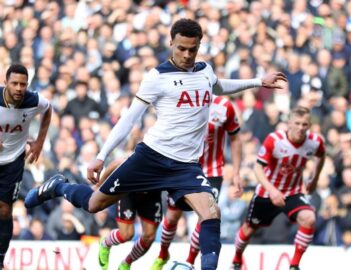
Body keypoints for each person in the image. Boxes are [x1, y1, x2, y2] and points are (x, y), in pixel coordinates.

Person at [24, 18, 286, 270]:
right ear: (171, 43)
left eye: (192, 49)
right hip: (150, 158)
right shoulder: (157, 76)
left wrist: (257, 81)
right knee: (94, 204)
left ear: (199, 46)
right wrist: (102, 155)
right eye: (181, 48)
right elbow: (129, 119)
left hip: (186, 167)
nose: (186, 54)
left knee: (211, 212)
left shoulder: (205, 70)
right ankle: (58, 186)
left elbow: (218, 87)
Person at [151, 95, 242, 269]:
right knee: (172, 216)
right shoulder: (182, 101)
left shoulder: (224, 106)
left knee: (208, 213)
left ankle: (189, 261)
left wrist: (236, 172)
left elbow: (236, 138)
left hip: (212, 171)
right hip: (185, 168)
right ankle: (163, 253)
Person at [230, 106, 326, 270]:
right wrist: (272, 190)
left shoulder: (315, 142)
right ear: (289, 123)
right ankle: (236, 259)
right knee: (248, 229)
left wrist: (315, 178)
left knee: (309, 218)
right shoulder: (274, 140)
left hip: (292, 192)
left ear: (309, 125)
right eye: (297, 123)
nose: (301, 128)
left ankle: (294, 265)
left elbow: (321, 156)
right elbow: (258, 168)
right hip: (267, 192)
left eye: (305, 124)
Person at [0, 64, 52, 269]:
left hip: (13, 161)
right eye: (14, 83)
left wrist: (40, 141)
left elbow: (48, 110)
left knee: (4, 211)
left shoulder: (34, 100)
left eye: (23, 84)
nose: (19, 88)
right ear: (5, 83)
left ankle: (1, 258)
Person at [97, 159, 163, 270]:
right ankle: (105, 243)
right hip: (128, 191)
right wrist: (100, 185)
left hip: (151, 193)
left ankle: (127, 263)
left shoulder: (167, 153)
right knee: (126, 235)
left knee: (149, 237)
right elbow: (116, 163)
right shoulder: (140, 153)